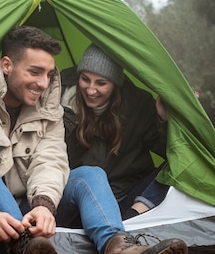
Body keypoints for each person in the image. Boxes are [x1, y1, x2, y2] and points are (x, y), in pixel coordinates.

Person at [0, 26, 188, 254]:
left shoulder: (48, 105)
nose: (44, 84)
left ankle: (117, 250)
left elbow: (51, 157)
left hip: (32, 202)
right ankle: (27, 247)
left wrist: (44, 204)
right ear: (7, 65)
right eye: (34, 72)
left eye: (48, 74)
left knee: (90, 174)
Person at [61, 44, 170, 219]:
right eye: (85, 79)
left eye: (101, 83)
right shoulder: (62, 101)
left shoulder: (138, 105)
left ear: (115, 84)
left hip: (127, 195)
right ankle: (118, 228)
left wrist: (163, 120)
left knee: (177, 166)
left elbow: (165, 150)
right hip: (82, 198)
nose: (90, 90)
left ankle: (130, 218)